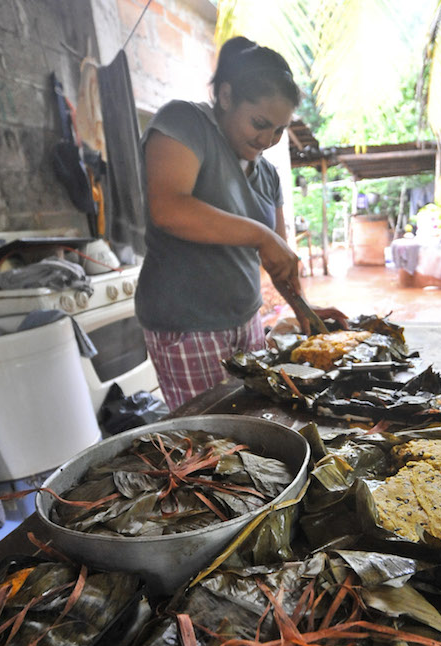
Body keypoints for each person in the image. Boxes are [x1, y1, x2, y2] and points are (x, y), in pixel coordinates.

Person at [136, 36, 344, 410]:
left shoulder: (268, 175)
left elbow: (278, 260)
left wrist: (304, 310)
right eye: (260, 123)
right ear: (227, 97)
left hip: (246, 320)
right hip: (187, 327)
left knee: (255, 423)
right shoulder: (185, 122)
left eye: (279, 130)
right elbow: (168, 208)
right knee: (210, 436)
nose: (267, 139)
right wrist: (260, 235)